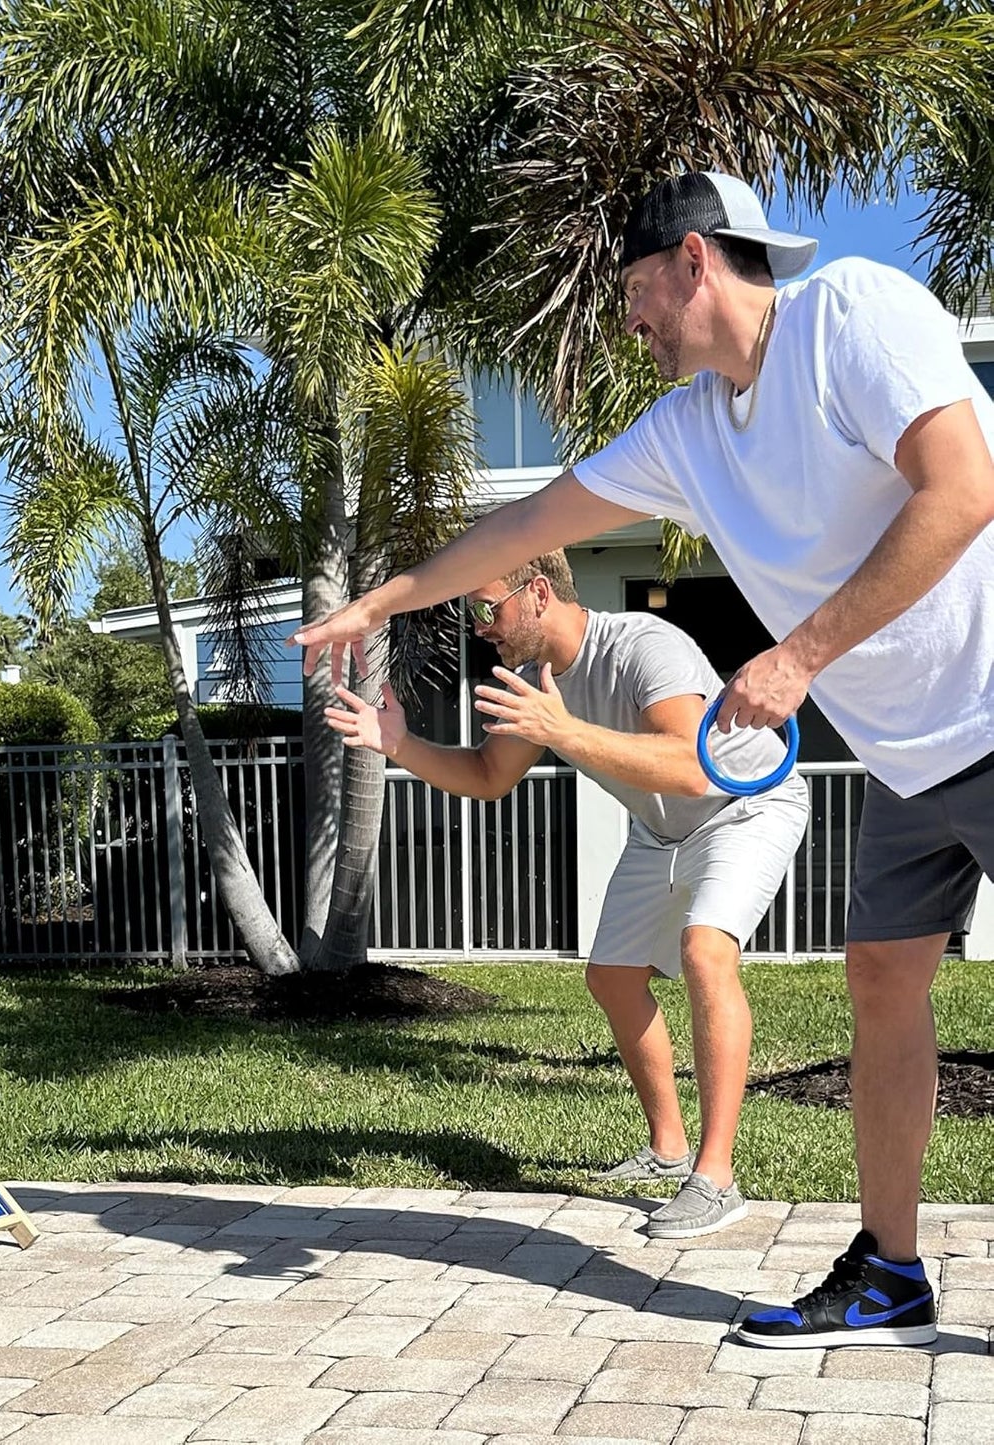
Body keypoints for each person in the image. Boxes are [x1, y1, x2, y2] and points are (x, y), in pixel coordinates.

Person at [292, 170, 994, 1348]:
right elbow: (523, 529)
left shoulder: (848, 315)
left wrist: (797, 655)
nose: (629, 321)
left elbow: (964, 487)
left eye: (631, 292)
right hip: (905, 757)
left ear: (693, 259)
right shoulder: (685, 429)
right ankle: (888, 1269)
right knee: (878, 974)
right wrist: (382, 601)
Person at [326, 549, 808, 1238]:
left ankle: (716, 1175)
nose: (479, 626)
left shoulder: (646, 644)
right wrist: (397, 743)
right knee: (611, 977)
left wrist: (564, 731)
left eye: (486, 606)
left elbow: (691, 766)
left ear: (538, 592)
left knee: (705, 953)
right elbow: (490, 775)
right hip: (659, 827)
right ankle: (668, 1149)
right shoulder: (532, 676)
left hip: (744, 806)